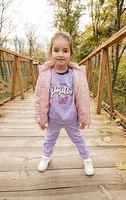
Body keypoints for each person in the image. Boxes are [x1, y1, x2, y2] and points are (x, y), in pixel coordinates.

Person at [34, 31, 94, 176]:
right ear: (51, 52)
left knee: (79, 140)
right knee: (49, 140)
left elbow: (83, 98)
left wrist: (84, 118)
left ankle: (87, 159)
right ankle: (45, 157)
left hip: (71, 119)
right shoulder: (45, 75)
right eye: (56, 50)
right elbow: (39, 98)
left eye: (65, 51)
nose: (60, 54)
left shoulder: (76, 75)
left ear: (71, 54)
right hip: (53, 119)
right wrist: (41, 119)